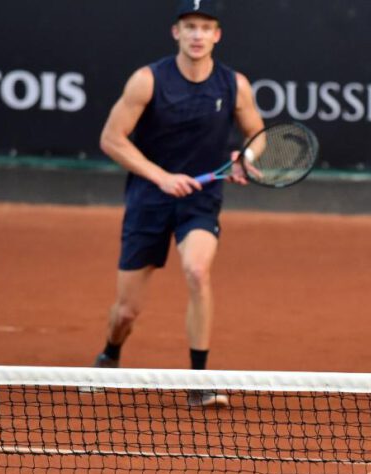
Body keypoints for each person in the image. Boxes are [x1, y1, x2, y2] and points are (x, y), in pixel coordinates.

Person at [90, 0, 264, 407]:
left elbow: (257, 133)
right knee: (126, 311)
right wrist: (162, 177)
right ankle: (110, 353)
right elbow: (111, 139)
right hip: (149, 199)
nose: (197, 35)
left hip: (201, 199)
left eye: (205, 27)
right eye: (190, 27)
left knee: (197, 271)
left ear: (217, 35)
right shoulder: (147, 81)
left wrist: (246, 158)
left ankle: (198, 381)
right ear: (176, 33)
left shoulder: (234, 84)